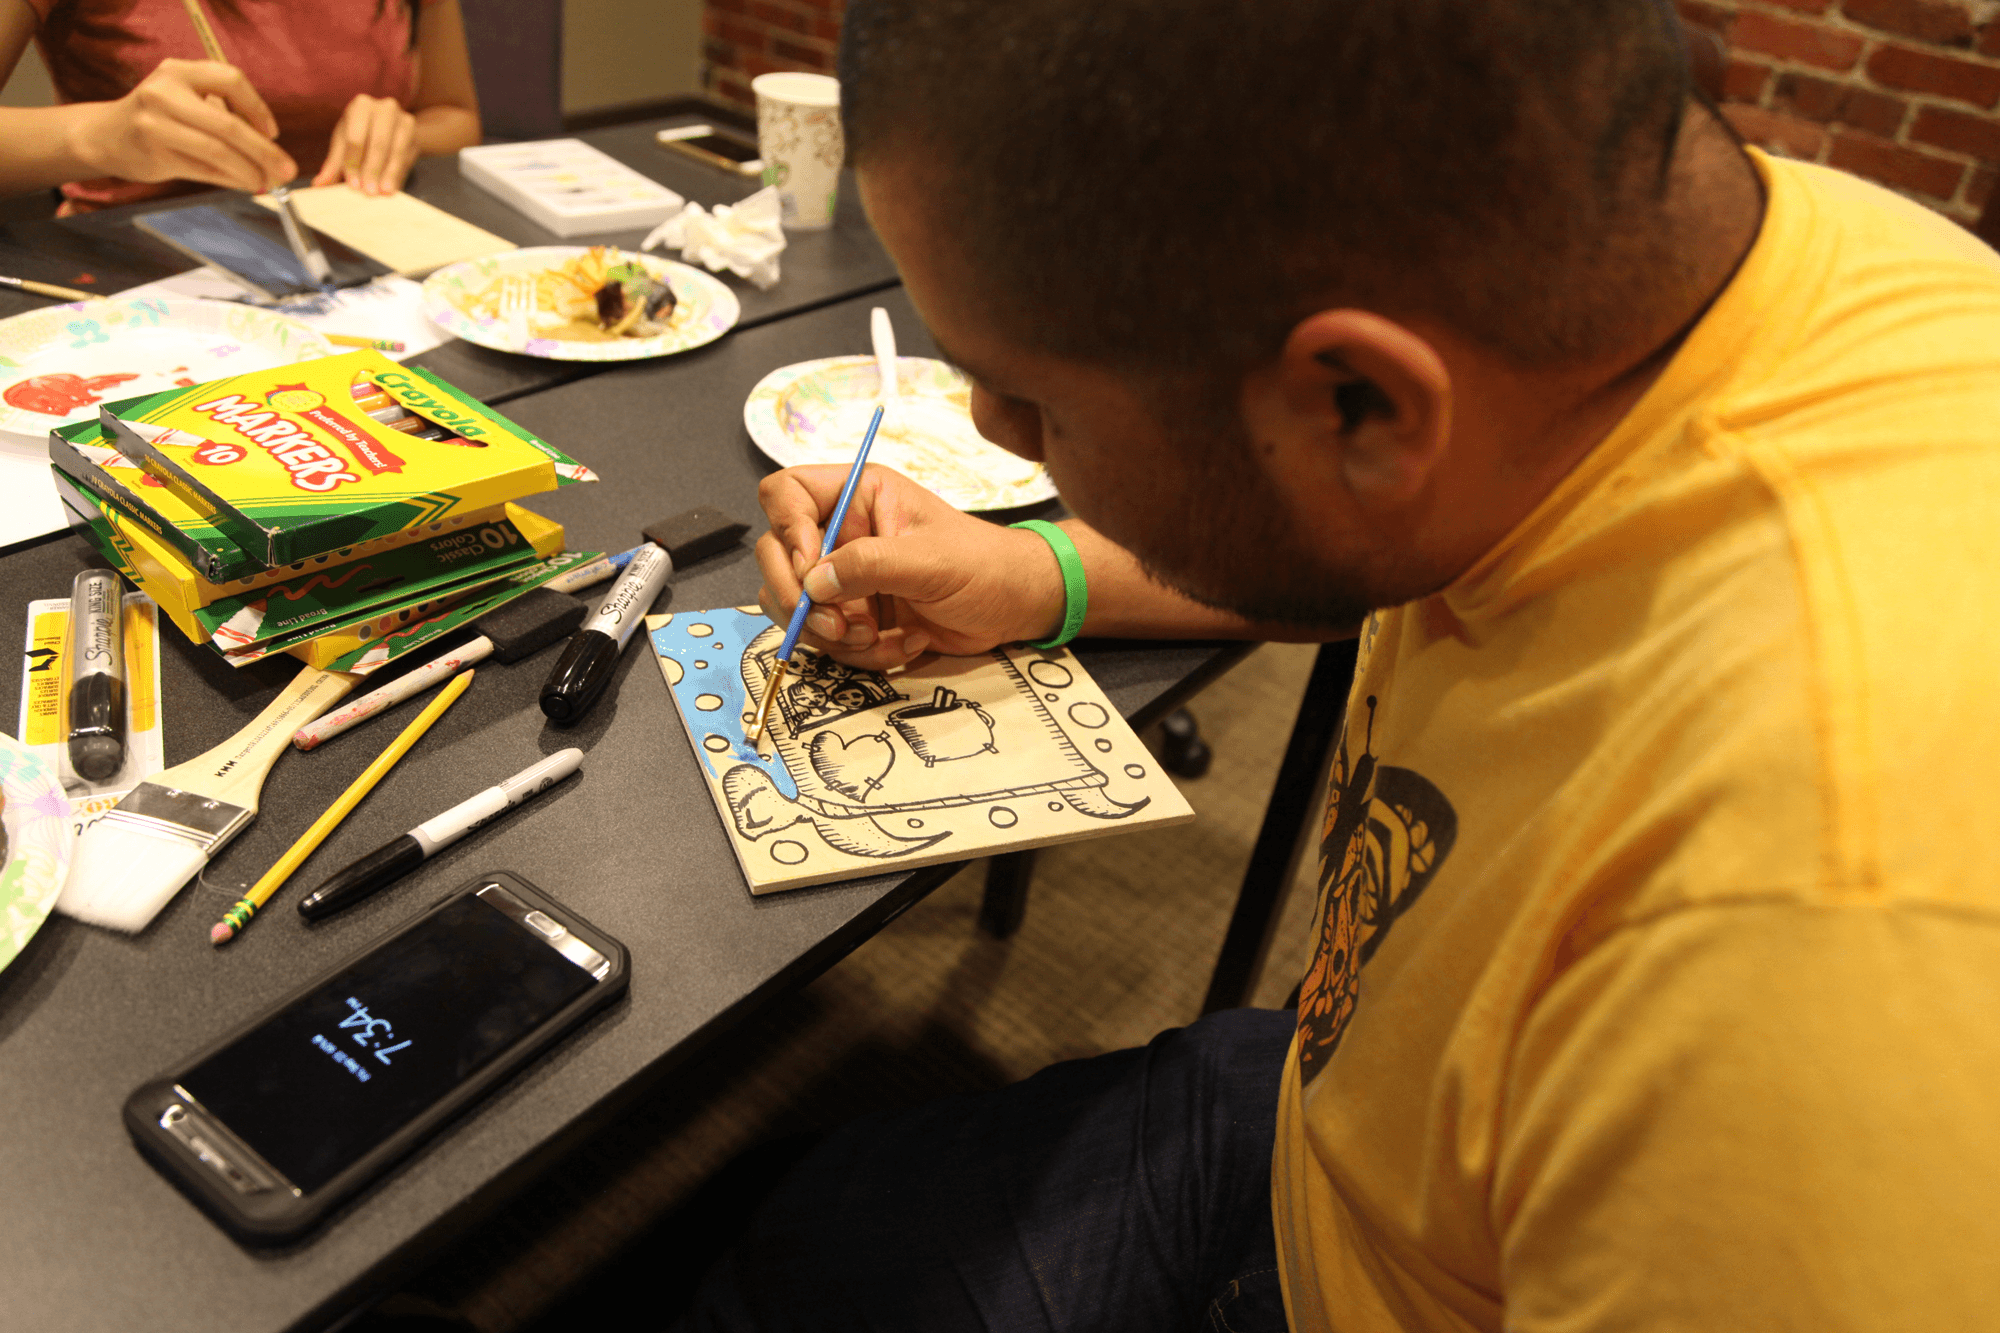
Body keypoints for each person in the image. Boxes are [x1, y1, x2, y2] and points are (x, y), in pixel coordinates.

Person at [678, 0, 2000, 1329]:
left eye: (1033, 397)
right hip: (1339, 1107)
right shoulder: (1701, 268)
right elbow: (1390, 533)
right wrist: (1041, 574)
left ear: (1361, 402)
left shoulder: (1806, 967)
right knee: (786, 1221)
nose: (992, 428)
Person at [0, 0, 478, 212]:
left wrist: (406, 135)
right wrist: (97, 136)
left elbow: (455, 118)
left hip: (361, 257)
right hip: (135, 284)